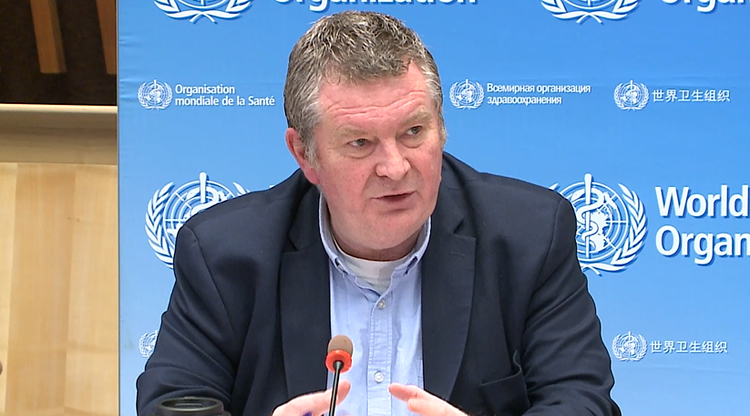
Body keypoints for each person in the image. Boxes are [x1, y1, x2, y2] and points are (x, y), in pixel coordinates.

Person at [136, 10, 621, 416]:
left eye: (413, 132)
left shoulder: (530, 236)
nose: (395, 167)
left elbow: (582, 401)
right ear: (305, 154)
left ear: (441, 127)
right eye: (360, 143)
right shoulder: (226, 255)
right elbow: (173, 403)